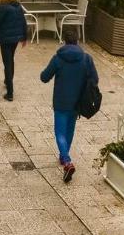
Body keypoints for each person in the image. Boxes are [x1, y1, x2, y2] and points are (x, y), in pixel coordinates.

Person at [40, 30, 98, 183]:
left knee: (59, 132)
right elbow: (95, 80)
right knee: (69, 130)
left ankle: (66, 160)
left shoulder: (58, 58)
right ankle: (63, 156)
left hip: (60, 101)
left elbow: (44, 77)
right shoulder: (87, 59)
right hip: (77, 102)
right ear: (77, 41)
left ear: (64, 41)